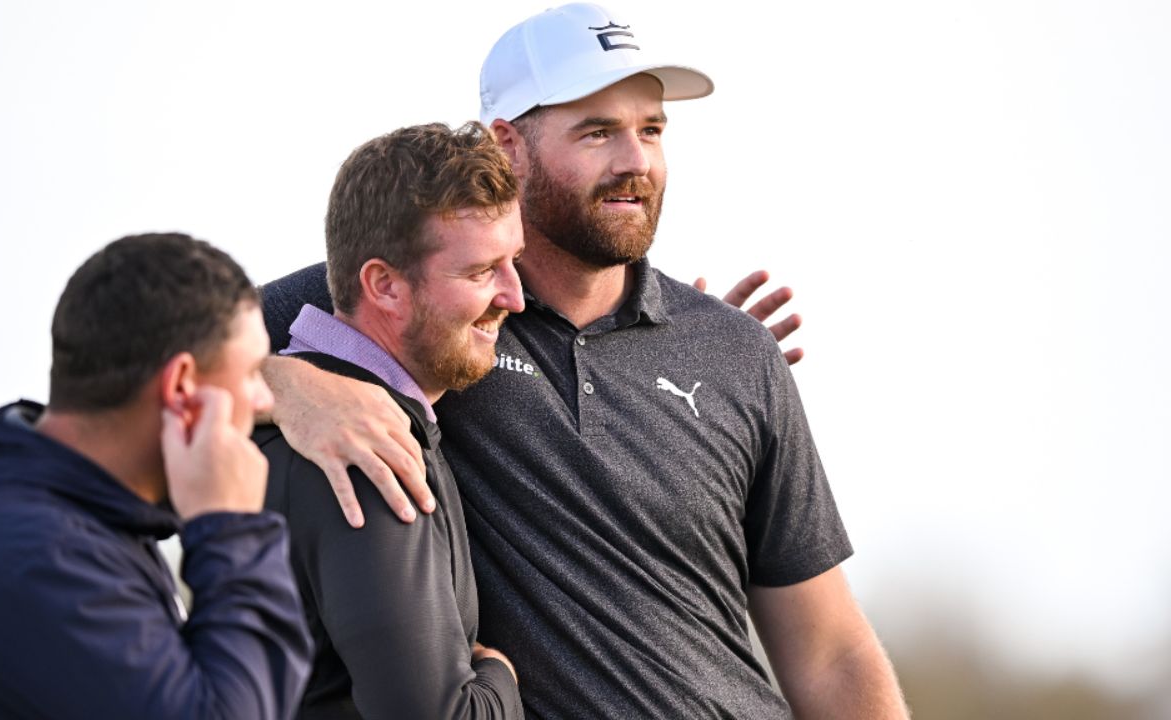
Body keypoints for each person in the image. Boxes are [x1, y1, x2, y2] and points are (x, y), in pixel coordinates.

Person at [260, 4, 909, 718]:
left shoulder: (736, 351)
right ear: (506, 144)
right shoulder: (434, 303)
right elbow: (154, 357)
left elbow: (829, 652)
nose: (635, 161)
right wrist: (284, 382)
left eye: (652, 130)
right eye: (598, 132)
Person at [0, 233, 313, 719]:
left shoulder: (70, 522)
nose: (264, 399)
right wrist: (232, 528)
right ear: (180, 387)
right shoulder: (37, 554)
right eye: (251, 373)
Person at [254, 123, 525, 719]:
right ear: (384, 285)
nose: (515, 297)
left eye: (515, 262)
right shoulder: (364, 448)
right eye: (482, 272)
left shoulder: (301, 414)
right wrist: (500, 674)